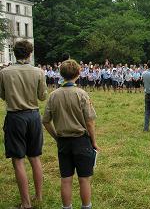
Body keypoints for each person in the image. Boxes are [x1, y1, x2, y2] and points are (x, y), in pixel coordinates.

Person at [42, 60, 98, 209]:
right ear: (78, 74)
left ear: (61, 74)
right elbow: (90, 122)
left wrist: (56, 137)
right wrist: (94, 142)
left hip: (63, 142)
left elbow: (46, 121)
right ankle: (86, 206)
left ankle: (66, 207)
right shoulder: (81, 94)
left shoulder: (54, 95)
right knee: (84, 179)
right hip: (81, 141)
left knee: (65, 179)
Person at [0, 40, 47, 209]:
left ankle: (26, 203)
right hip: (33, 115)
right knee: (35, 157)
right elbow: (42, 97)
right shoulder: (38, 72)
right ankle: (39, 196)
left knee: (18, 160)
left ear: (15, 52)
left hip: (15, 117)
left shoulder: (4, 72)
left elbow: (3, 95)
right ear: (30, 53)